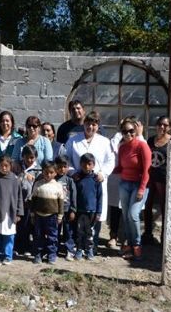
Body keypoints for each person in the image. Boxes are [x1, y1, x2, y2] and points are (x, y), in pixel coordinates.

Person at [63, 111, 114, 250]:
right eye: (88, 123)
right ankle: (76, 245)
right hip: (78, 182)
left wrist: (103, 173)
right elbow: (65, 158)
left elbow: (110, 161)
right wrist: (72, 172)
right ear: (83, 124)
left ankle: (92, 246)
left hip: (96, 183)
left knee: (94, 214)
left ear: (98, 126)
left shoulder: (105, 142)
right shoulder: (73, 140)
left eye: (93, 124)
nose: (90, 127)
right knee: (77, 213)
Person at [114, 117, 151, 260]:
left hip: (139, 184)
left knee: (133, 214)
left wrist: (142, 189)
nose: (128, 134)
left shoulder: (142, 146)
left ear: (136, 131)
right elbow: (120, 167)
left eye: (131, 131)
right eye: (125, 132)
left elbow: (147, 170)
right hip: (124, 183)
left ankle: (137, 245)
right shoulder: (122, 147)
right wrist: (104, 171)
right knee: (125, 215)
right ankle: (129, 244)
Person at [0, 155, 24, 265]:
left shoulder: (15, 180)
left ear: (10, 166)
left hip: (10, 212)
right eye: (1, 166)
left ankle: (8, 256)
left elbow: (19, 197)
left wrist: (18, 212)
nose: (4, 168)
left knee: (9, 236)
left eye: (6, 166)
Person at [143, 116, 171, 244]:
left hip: (164, 178)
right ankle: (148, 234)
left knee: (165, 207)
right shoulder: (150, 140)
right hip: (150, 177)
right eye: (160, 124)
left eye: (165, 125)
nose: (162, 127)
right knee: (147, 205)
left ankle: (164, 237)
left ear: (169, 127)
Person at [30, 162, 64, 264]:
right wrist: (32, 214)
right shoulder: (38, 184)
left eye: (51, 172)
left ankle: (51, 255)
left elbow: (61, 202)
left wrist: (60, 216)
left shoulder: (58, 186)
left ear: (55, 173)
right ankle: (38, 254)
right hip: (39, 215)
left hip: (52, 216)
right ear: (42, 172)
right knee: (38, 236)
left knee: (52, 237)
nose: (48, 175)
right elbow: (33, 200)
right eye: (46, 172)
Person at [74, 153, 102, 260]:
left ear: (93, 165)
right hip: (80, 210)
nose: (87, 167)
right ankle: (79, 249)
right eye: (84, 164)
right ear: (80, 164)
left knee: (90, 232)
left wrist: (99, 212)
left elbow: (100, 197)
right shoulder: (77, 178)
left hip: (92, 211)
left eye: (89, 164)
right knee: (80, 231)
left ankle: (89, 249)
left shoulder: (96, 180)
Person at [54, 157, 78, 260]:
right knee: (55, 231)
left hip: (67, 210)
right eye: (60, 167)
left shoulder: (69, 180)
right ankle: (54, 250)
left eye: (65, 167)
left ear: (68, 167)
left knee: (69, 231)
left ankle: (69, 250)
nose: (62, 169)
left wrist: (73, 210)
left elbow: (73, 196)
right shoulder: (52, 180)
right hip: (55, 210)